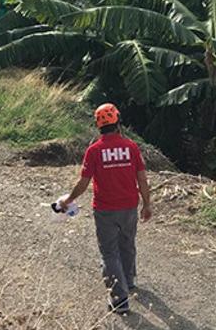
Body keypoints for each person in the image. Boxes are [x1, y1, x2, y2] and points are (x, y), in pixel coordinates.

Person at [60, 103, 152, 314]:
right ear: (118, 122)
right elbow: (142, 179)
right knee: (127, 243)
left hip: (105, 209)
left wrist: (68, 200)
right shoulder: (131, 147)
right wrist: (147, 203)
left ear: (98, 126)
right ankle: (128, 282)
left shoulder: (94, 151)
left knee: (109, 252)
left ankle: (119, 300)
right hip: (129, 205)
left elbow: (83, 183)